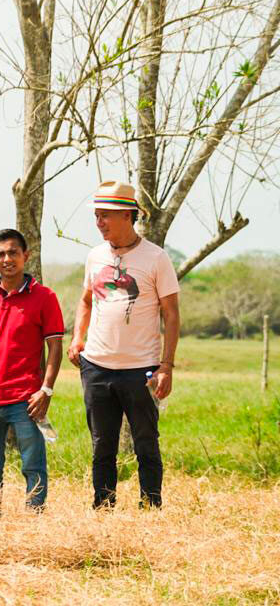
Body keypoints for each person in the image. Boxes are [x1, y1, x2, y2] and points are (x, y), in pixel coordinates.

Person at [68, 181, 180, 509]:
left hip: (141, 369)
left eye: (105, 216)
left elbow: (171, 314)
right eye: (97, 216)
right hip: (97, 368)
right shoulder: (95, 256)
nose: (99, 222)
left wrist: (167, 366)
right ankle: (103, 508)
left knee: (146, 442)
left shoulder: (156, 258)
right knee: (102, 445)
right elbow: (86, 301)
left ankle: (150, 507)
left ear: (126, 215)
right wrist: (78, 338)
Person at [0, 228, 63, 512]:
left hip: (27, 400)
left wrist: (46, 390)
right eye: (1, 254)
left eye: (13, 253)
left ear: (25, 256)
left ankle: (34, 519)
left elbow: (54, 348)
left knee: (33, 466)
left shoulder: (45, 297)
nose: (7, 259)